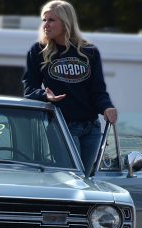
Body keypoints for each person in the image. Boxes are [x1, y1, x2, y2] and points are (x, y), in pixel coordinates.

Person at [22, 0, 118, 171]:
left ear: (66, 23)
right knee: (72, 176)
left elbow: (98, 91)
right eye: (44, 20)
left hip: (92, 127)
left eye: (51, 20)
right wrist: (45, 96)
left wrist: (107, 107)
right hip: (62, 125)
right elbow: (29, 89)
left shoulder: (89, 52)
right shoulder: (38, 51)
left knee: (87, 178)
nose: (46, 25)